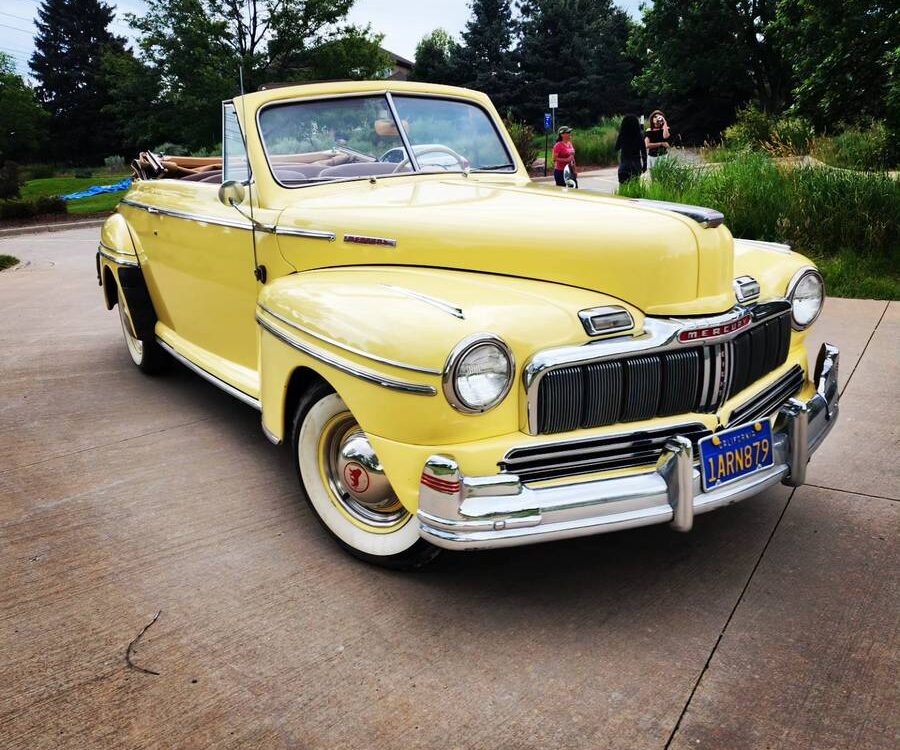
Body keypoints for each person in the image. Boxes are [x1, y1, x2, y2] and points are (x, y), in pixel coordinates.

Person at [614, 115, 647, 185]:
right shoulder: (639, 135)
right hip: (636, 165)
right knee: (635, 186)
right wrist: (645, 165)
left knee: (623, 187)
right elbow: (644, 151)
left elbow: (616, 148)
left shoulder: (622, 135)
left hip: (624, 166)